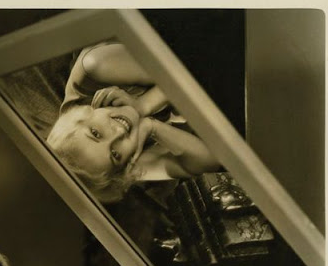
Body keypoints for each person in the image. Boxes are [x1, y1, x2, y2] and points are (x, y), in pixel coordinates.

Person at [47, 42, 221, 203]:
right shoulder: (117, 163)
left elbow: (190, 62)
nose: (119, 132)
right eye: (115, 154)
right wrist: (152, 127)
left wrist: (144, 105)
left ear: (79, 118)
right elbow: (209, 162)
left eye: (95, 133)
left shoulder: (96, 66)